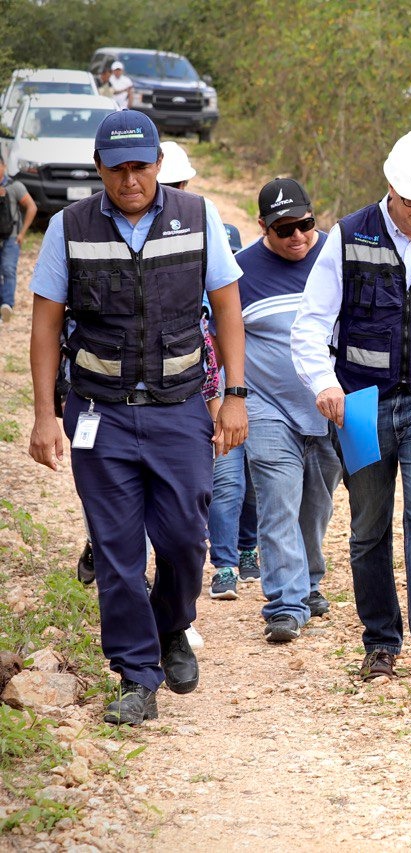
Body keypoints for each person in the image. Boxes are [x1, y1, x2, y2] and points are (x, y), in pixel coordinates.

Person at [27, 110, 247, 725]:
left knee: (183, 538)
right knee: (118, 551)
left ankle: (172, 624)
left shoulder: (198, 216)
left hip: (180, 410)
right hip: (100, 411)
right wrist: (46, 414)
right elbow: (45, 322)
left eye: (140, 167)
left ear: (158, 165)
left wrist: (236, 394)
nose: (130, 180)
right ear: (99, 170)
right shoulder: (68, 228)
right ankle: (137, 676)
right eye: (117, 169)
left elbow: (228, 308)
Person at [291, 131, 411, 692]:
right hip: (361, 402)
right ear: (390, 187)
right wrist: (323, 383)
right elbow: (310, 324)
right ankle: (380, 643)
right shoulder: (347, 237)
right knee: (369, 527)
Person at [155, 139, 258, 599]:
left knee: (219, 477)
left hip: (197, 371)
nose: (177, 190)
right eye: (173, 184)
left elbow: (223, 315)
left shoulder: (201, 218)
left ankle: (222, 560)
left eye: (180, 183)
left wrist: (227, 396)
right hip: (140, 384)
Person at [240, 178, 341, 643]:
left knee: (317, 504)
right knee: (278, 500)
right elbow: (224, 340)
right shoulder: (240, 273)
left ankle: (310, 582)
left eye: (305, 224)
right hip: (266, 406)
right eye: (284, 230)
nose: (298, 236)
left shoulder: (336, 258)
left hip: (331, 406)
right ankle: (285, 601)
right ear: (262, 227)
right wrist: (228, 399)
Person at [0, 158, 37, 322]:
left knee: (8, 269)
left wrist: (22, 233)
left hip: (12, 237)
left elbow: (32, 207)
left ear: (4, 166)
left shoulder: (15, 186)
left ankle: (7, 305)